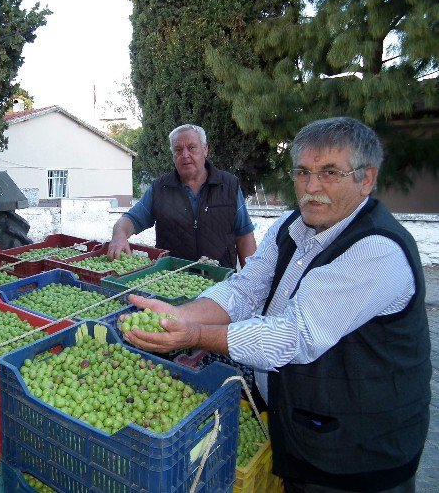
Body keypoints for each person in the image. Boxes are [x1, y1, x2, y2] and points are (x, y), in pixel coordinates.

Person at [123, 117, 431, 492]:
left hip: (358, 457)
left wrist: (197, 334)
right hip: (305, 433)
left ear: (365, 178)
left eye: (330, 172)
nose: (312, 186)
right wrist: (181, 315)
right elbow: (245, 289)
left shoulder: (375, 250)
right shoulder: (291, 227)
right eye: (303, 172)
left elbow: (294, 334)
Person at [107, 124, 257, 268]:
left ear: (205, 149)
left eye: (192, 148)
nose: (185, 155)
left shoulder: (229, 185)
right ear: (173, 155)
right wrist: (119, 234)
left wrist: (251, 282)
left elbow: (244, 237)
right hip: (171, 283)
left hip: (221, 284)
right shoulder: (160, 188)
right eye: (178, 150)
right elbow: (131, 219)